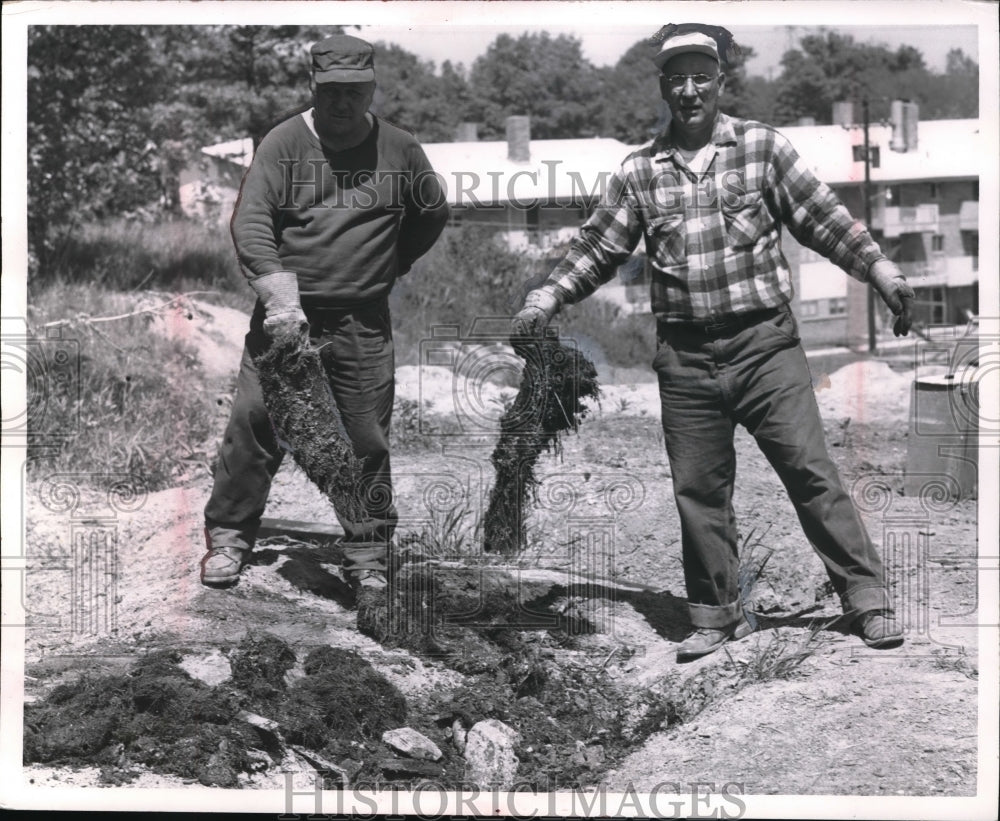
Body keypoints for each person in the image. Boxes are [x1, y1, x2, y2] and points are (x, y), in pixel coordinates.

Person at [512, 24, 914, 661]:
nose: (690, 89)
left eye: (702, 75)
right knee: (697, 488)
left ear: (721, 79)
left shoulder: (761, 150)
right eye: (678, 78)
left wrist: (881, 271)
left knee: (811, 474)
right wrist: (545, 297)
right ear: (664, 87)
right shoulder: (640, 172)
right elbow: (596, 249)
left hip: (765, 348)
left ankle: (867, 599)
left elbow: (824, 219)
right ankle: (716, 614)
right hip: (686, 358)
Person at [201, 35, 449, 590]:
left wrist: (391, 262)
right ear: (314, 88)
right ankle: (229, 540)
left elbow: (431, 214)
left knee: (364, 438)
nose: (343, 102)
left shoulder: (400, 149)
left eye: (354, 91)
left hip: (361, 323)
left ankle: (367, 555)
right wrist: (279, 294)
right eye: (332, 91)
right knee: (254, 425)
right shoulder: (284, 143)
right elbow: (251, 222)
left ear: (371, 89)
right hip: (287, 322)